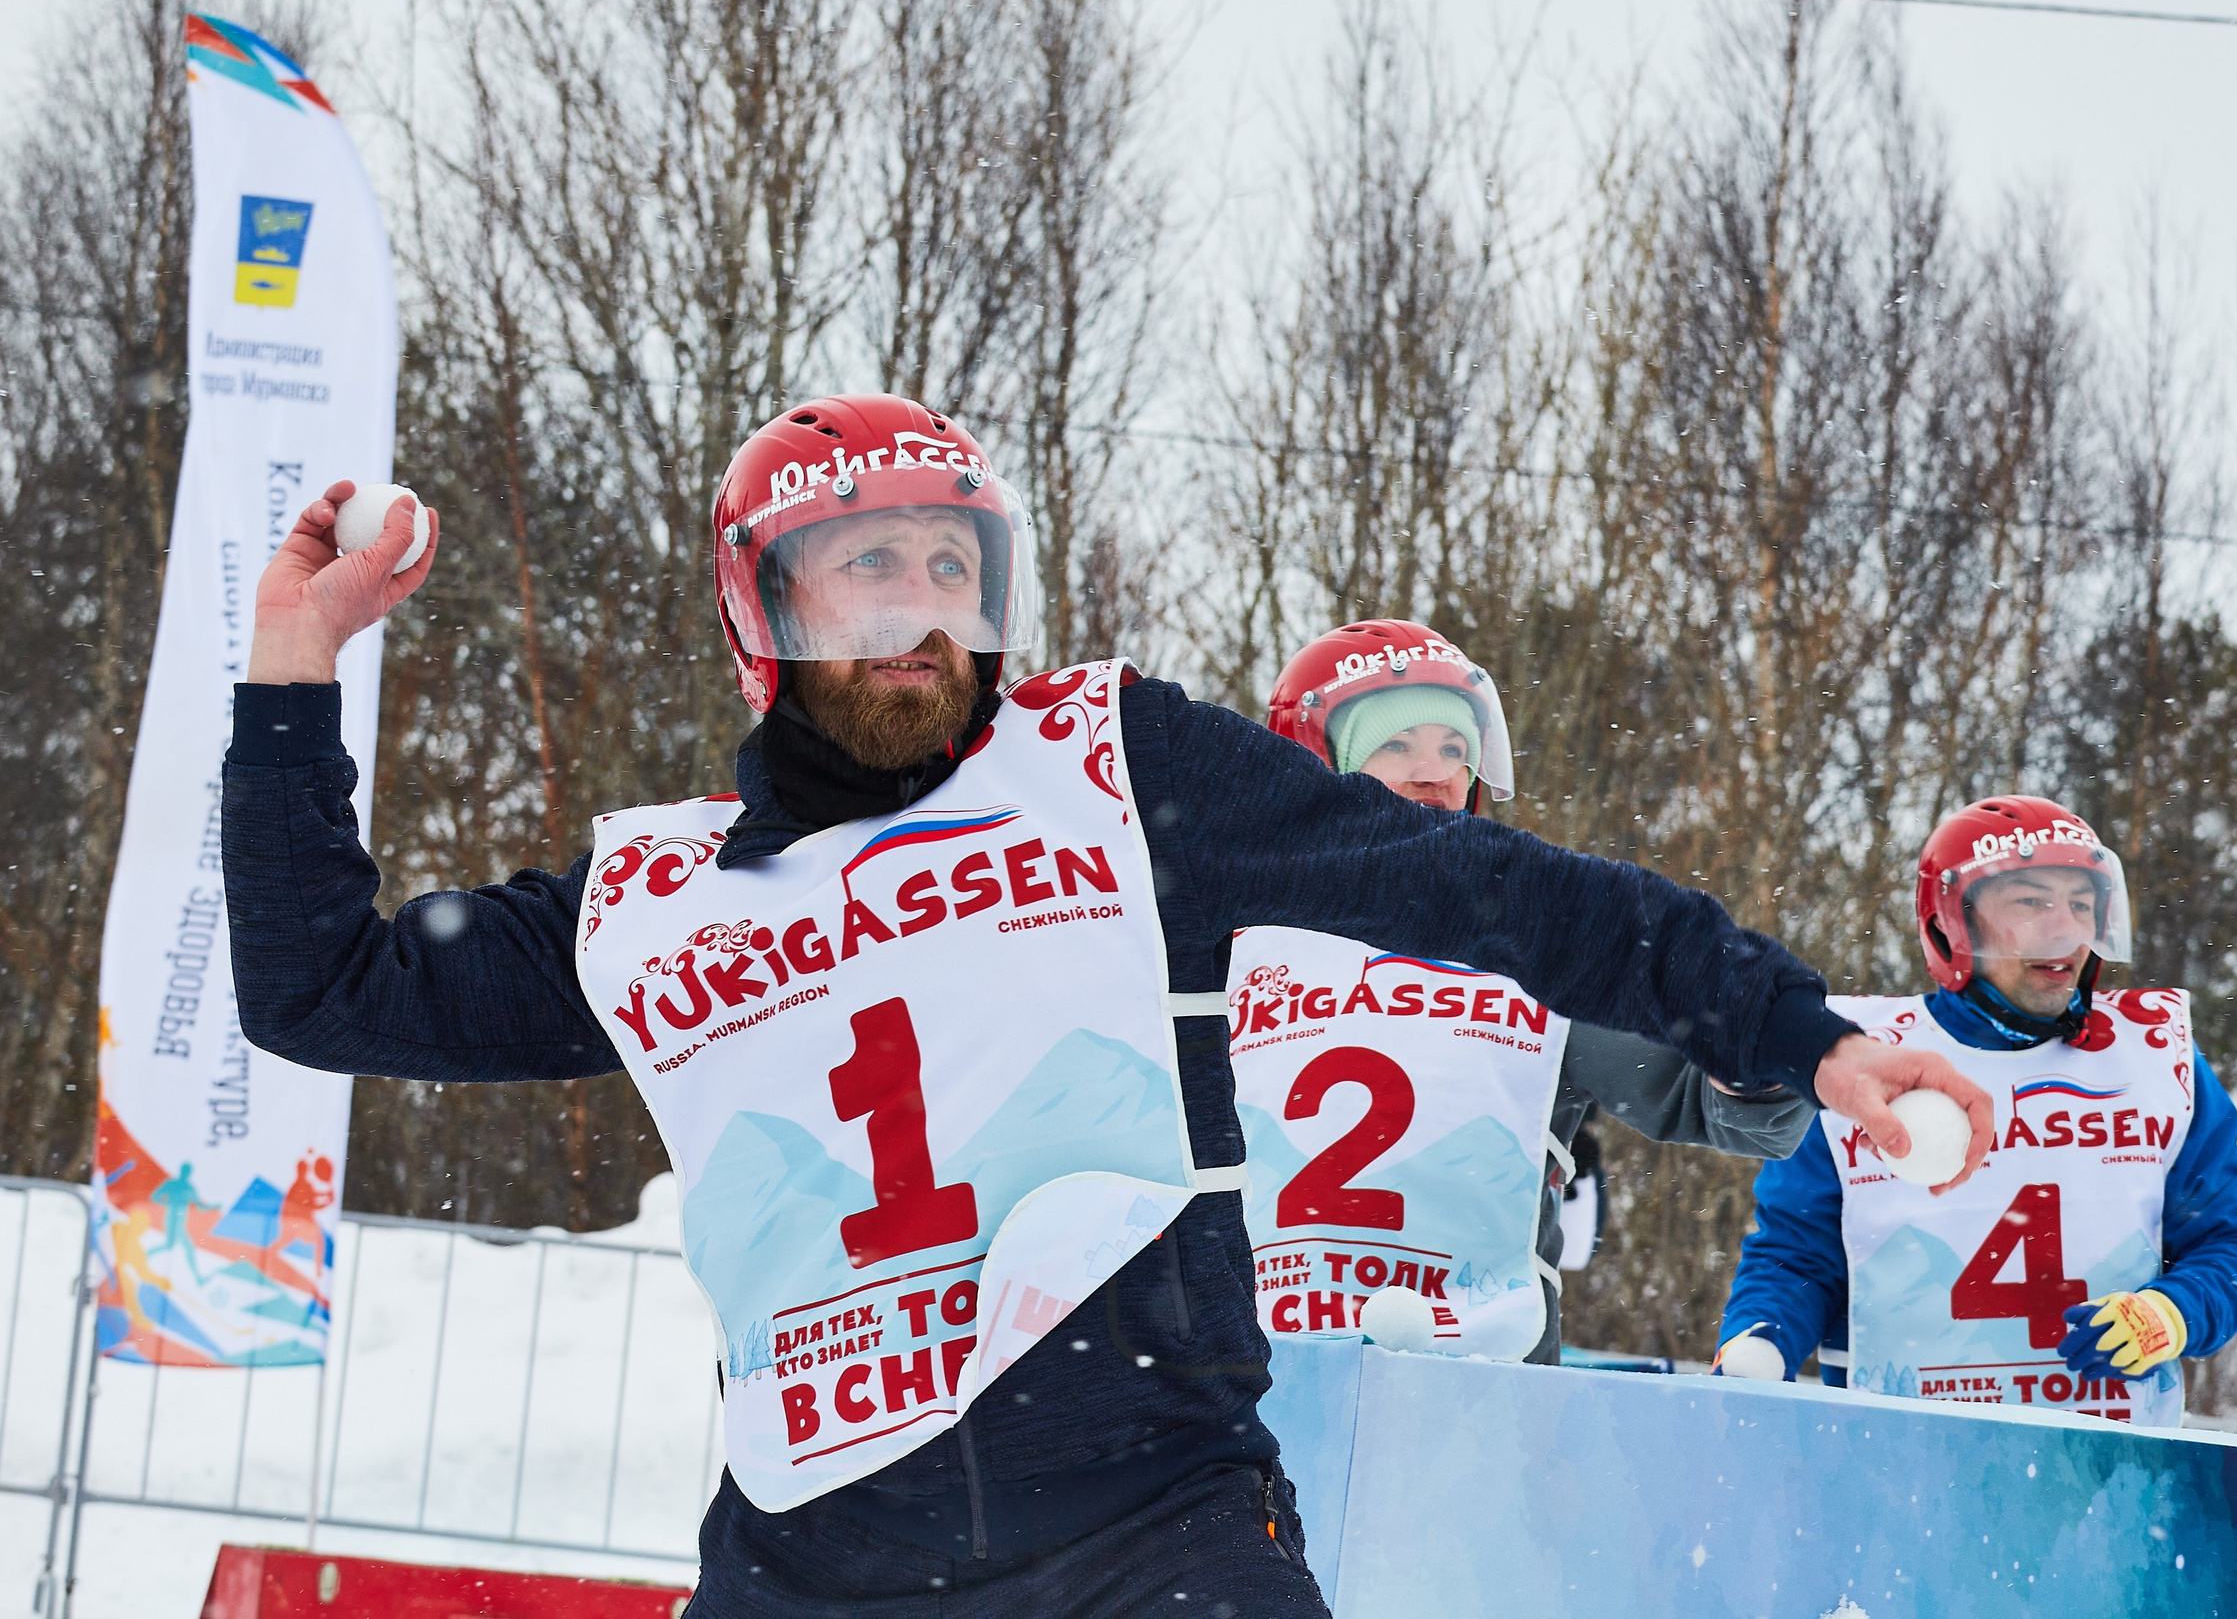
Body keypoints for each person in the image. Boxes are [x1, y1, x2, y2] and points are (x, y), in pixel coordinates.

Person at [224, 393, 1995, 1618]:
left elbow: (1493, 892)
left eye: (948, 566)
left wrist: (1799, 1030)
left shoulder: (1112, 767)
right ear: (762, 609)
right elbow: (322, 986)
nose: (918, 611)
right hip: (816, 1558)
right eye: (864, 567)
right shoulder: (651, 894)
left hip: (1148, 1525)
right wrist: (295, 664)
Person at [1235, 620, 1811, 1363]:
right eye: (1395, 745)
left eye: (1454, 749)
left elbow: (1731, 1111)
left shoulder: (1537, 951)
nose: (1435, 772)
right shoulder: (1225, 950)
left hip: (1486, 1401)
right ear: (1315, 764)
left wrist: (1755, 1057)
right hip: (1250, 1394)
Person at [1713, 796, 2237, 1426]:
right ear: (1954, 924)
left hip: (2112, 1473)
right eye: (2031, 902)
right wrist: (1762, 1340)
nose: (2065, 929)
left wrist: (2173, 1313)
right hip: (1896, 1463)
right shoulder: (1860, 1060)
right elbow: (1796, 1254)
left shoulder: (2154, 1055)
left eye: (2081, 904)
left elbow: (2234, 1240)